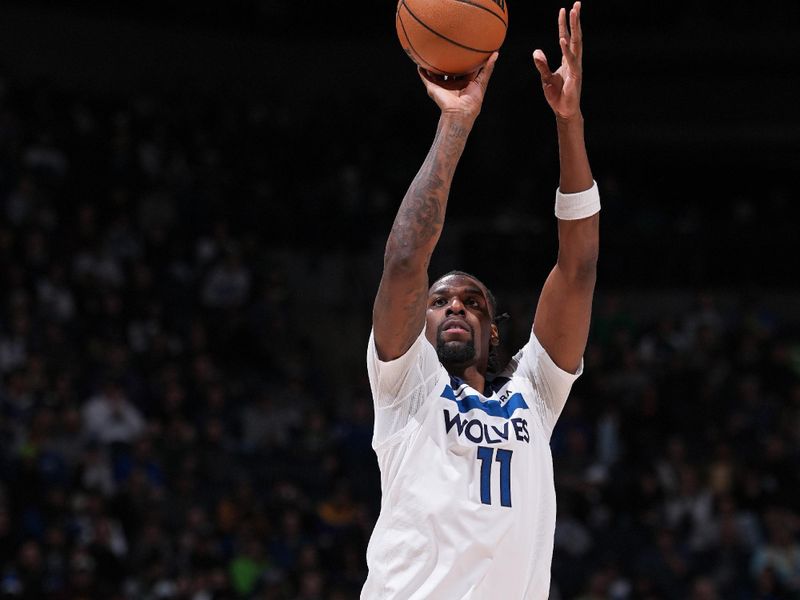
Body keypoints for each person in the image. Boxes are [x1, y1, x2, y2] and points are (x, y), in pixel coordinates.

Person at [362, 2, 600, 599]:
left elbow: (578, 268)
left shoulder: (535, 397)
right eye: (441, 301)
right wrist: (457, 122)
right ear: (421, 322)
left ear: (496, 333)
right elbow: (404, 262)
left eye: (473, 303)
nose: (457, 307)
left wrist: (568, 122)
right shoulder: (404, 386)